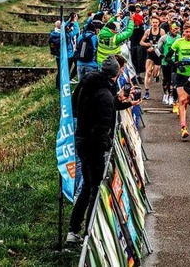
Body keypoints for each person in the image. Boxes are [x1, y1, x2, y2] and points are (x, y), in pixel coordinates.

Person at [66, 55, 137, 243]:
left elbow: (90, 105)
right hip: (93, 145)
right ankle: (89, 231)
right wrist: (105, 147)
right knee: (94, 188)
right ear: (117, 73)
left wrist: (124, 102)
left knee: (88, 186)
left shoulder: (90, 83)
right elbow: (103, 122)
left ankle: (74, 230)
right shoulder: (105, 94)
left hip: (82, 138)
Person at [139, 16, 166, 100]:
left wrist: (157, 48)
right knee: (148, 72)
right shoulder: (148, 31)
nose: (154, 24)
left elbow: (165, 43)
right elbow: (141, 42)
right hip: (150, 54)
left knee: (154, 74)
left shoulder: (161, 32)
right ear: (151, 23)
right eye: (153, 22)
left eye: (156, 22)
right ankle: (146, 92)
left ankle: (157, 74)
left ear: (159, 23)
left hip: (158, 54)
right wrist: (146, 44)